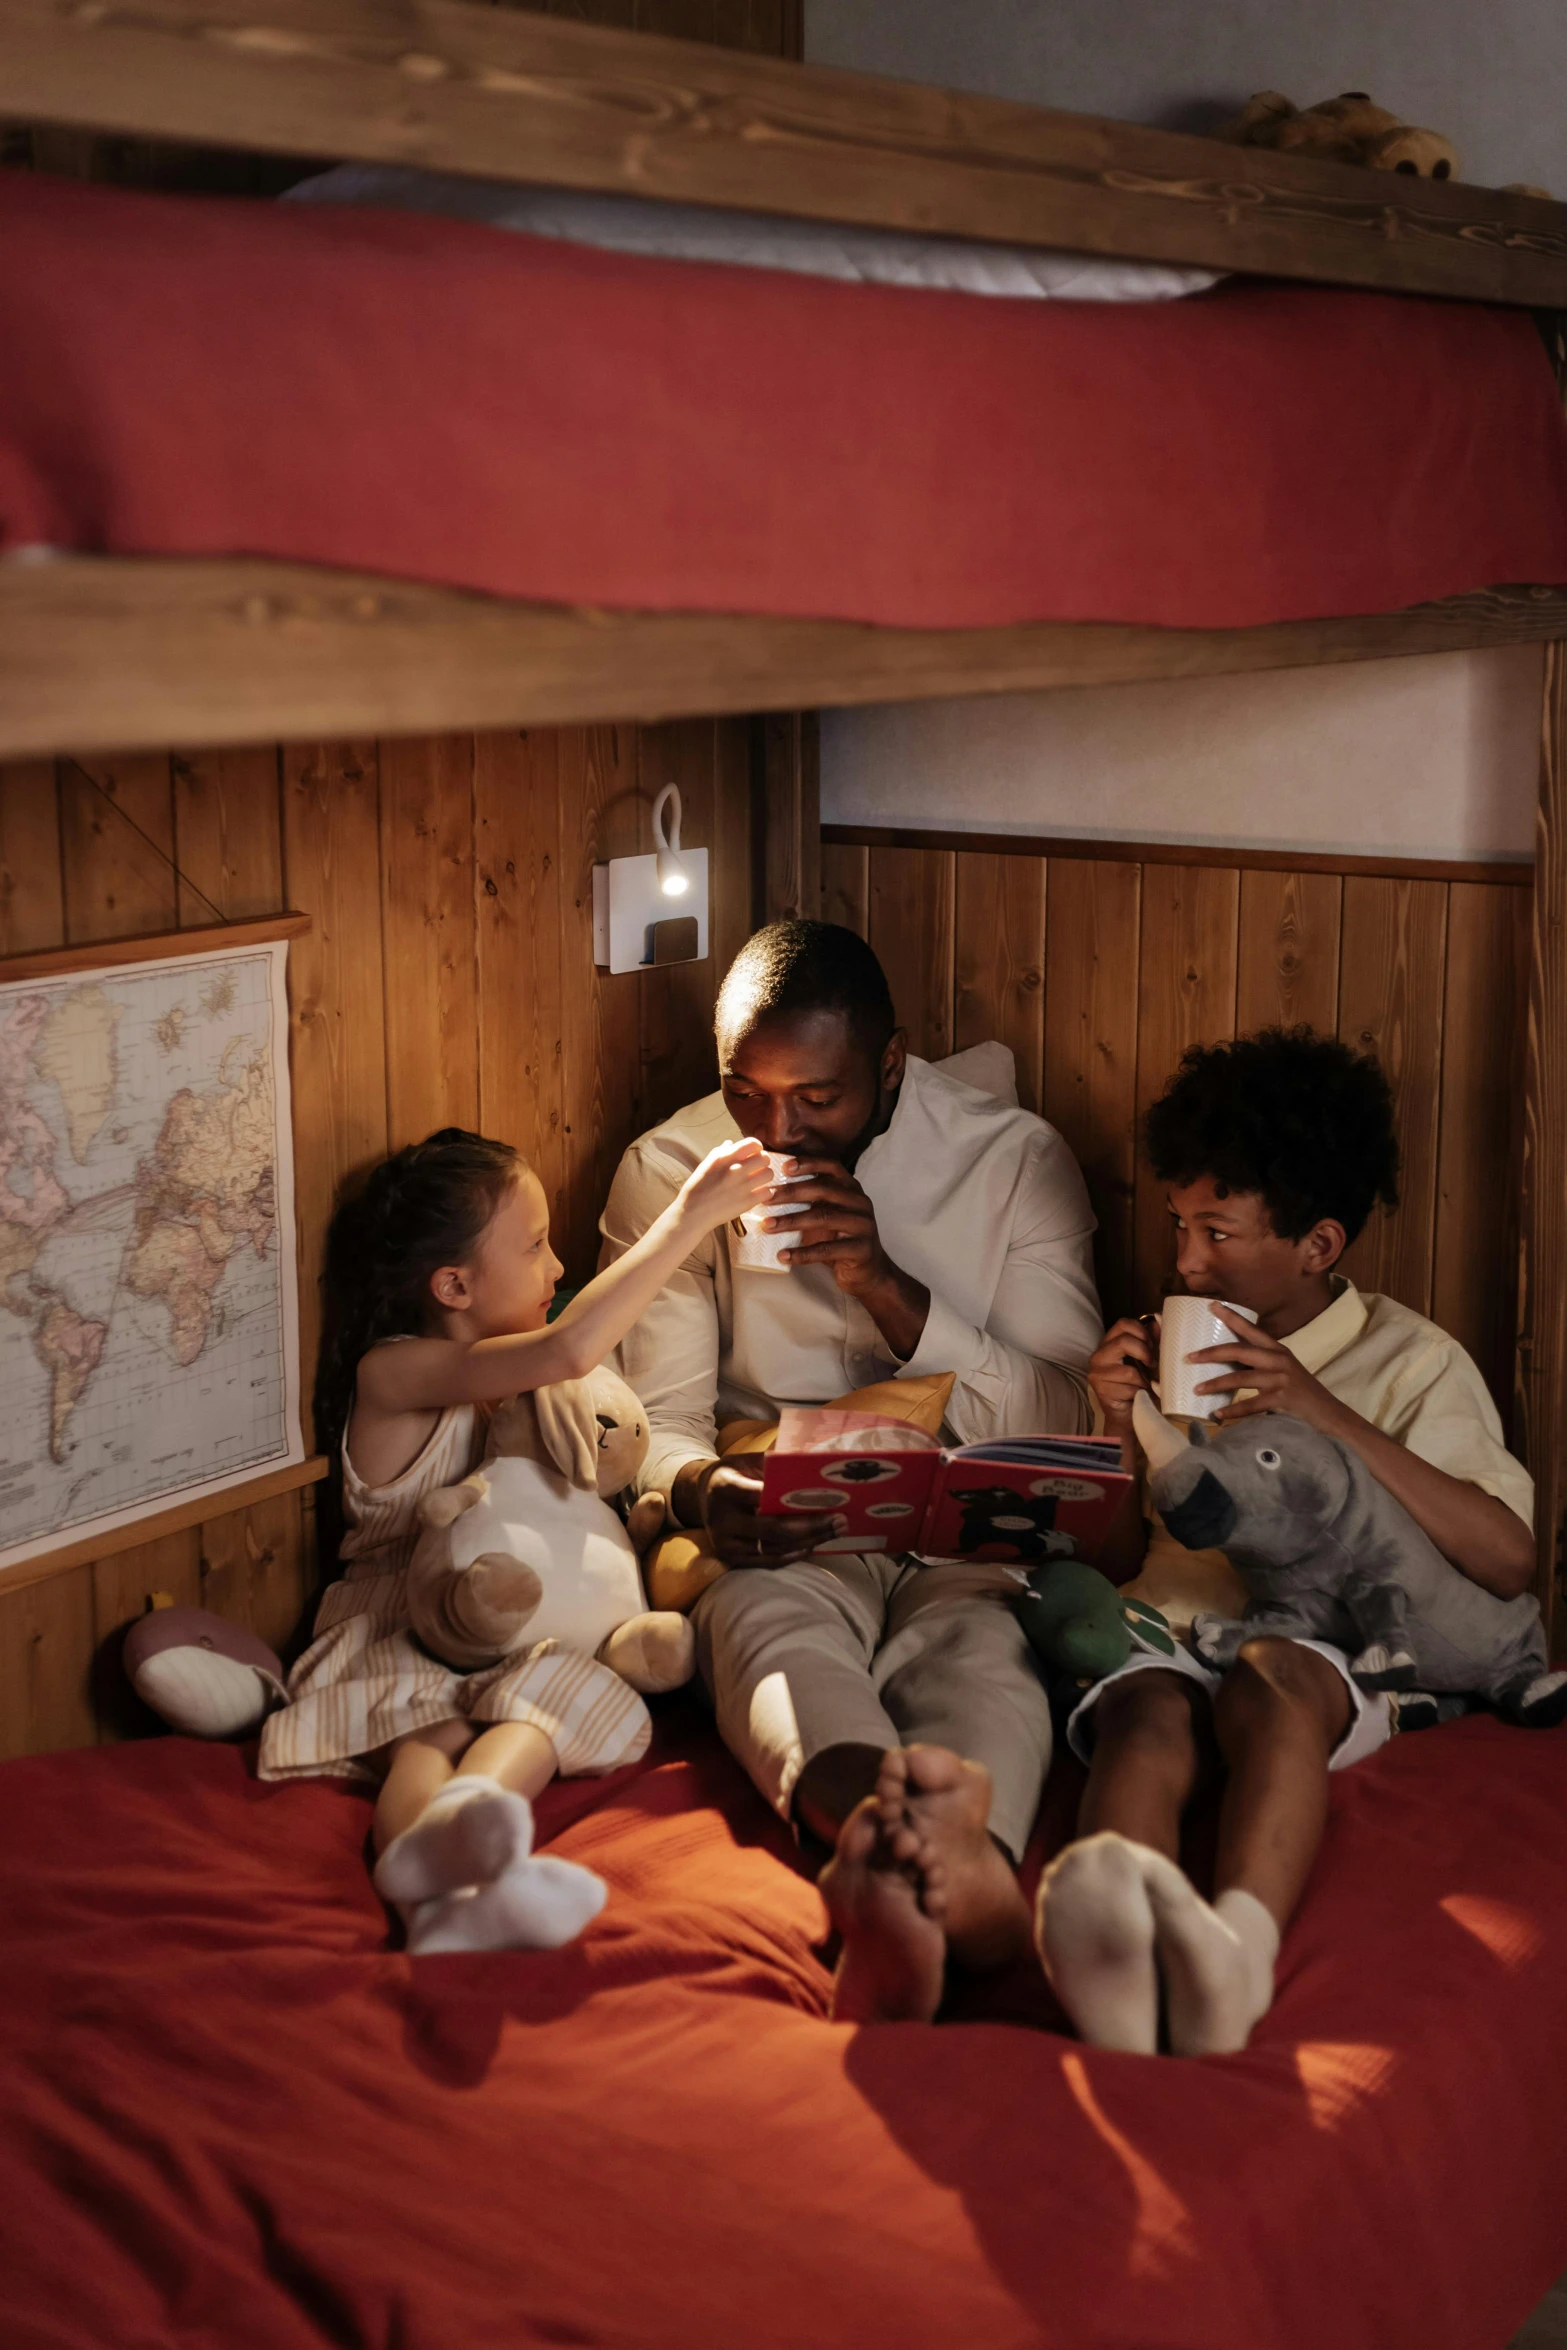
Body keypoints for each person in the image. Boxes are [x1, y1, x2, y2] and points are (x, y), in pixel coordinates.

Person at [600, 919, 1103, 2017]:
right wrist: (700, 1494)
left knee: (978, 1650)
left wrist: (885, 1286)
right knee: (763, 1626)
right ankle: (880, 1840)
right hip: (786, 1503)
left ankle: (956, 1857)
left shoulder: (1011, 1158)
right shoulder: (674, 1167)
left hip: (962, 1496)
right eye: (747, 1093)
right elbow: (658, 1424)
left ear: (888, 1064)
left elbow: (1069, 1411)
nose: (778, 1131)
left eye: (817, 1100)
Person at [1032, 1027, 1537, 2056]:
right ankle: (1115, 1960)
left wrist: (1317, 1409)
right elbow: (1109, 1560)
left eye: (1217, 1232)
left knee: (1269, 1673)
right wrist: (1109, 1421)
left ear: (1317, 1244)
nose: (1182, 1260)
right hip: (1173, 1629)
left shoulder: (1411, 1360)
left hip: (1316, 1648)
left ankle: (1235, 1952)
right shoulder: (1170, 1349)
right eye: (1178, 1224)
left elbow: (1507, 1556)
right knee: (1138, 1710)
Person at [258, 1123, 771, 1955]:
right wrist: (686, 1217)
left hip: (517, 1636)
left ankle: (475, 1834)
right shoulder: (395, 1371)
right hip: (403, 1621)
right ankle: (415, 1873)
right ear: (453, 1285)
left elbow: (572, 1366)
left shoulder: (518, 1377)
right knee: (434, 1732)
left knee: (548, 1707)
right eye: (534, 1247)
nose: (558, 1266)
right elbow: (568, 1345)